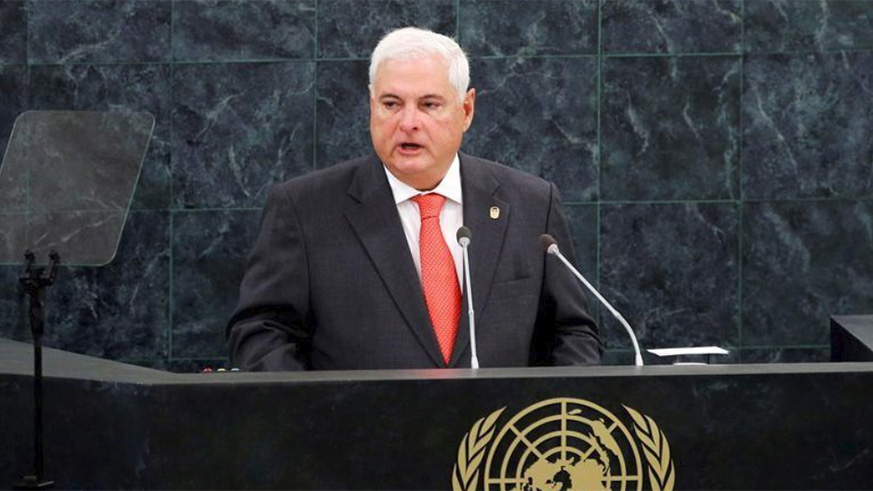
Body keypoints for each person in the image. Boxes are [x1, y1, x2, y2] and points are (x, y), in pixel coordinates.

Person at [227, 27, 601, 370]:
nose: (408, 122)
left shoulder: (532, 203)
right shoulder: (304, 209)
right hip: (358, 436)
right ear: (371, 105)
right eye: (391, 104)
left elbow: (572, 333)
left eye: (429, 105)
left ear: (466, 110)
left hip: (501, 437)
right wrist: (314, 421)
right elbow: (261, 332)